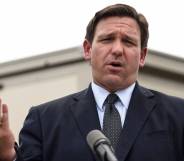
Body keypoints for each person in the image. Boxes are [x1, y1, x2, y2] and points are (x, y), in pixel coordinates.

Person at [0, 3, 184, 161]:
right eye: (107, 39)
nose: (117, 49)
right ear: (88, 50)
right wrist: (7, 155)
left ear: (142, 56)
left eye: (128, 42)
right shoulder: (44, 120)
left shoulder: (178, 115)